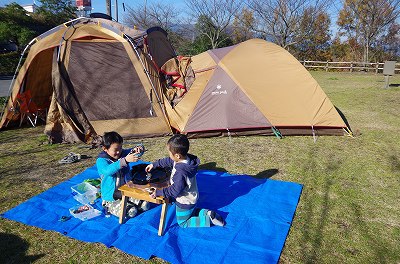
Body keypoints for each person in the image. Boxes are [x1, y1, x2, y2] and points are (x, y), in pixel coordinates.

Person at [145, 134, 225, 227]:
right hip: (192, 197)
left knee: (183, 222)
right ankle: (208, 213)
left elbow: (175, 190)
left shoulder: (181, 172)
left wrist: (159, 192)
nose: (169, 155)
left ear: (177, 155)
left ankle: (207, 220)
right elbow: (169, 161)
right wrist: (154, 164)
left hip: (185, 201)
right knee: (191, 212)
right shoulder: (186, 159)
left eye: (169, 153)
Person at [97, 131, 149, 218]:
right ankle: (108, 206)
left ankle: (128, 202)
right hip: (112, 197)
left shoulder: (122, 153)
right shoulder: (101, 161)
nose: (119, 152)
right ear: (105, 149)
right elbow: (107, 171)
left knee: (145, 205)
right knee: (132, 211)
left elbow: (133, 151)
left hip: (126, 191)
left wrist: (139, 148)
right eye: (116, 150)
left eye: (120, 148)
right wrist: (124, 161)